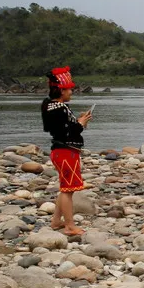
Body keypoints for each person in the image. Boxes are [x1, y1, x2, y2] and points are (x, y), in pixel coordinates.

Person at [40, 67, 92, 235]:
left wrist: (78, 123)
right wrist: (80, 123)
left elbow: (61, 127)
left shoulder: (49, 105)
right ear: (61, 90)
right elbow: (69, 130)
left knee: (65, 187)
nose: (71, 92)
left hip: (60, 150)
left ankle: (56, 221)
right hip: (65, 151)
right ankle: (70, 225)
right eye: (69, 89)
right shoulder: (60, 108)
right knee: (67, 190)